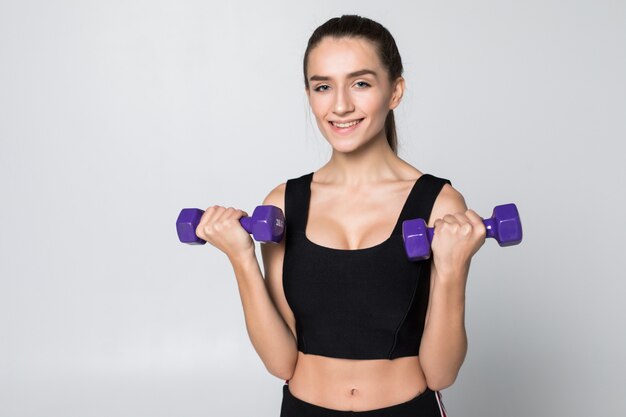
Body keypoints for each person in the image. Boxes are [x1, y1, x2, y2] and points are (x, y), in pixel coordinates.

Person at [195, 15, 486, 417]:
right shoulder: (282, 204)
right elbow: (281, 363)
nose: (341, 105)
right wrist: (241, 258)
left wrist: (453, 268)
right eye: (323, 86)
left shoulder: (439, 204)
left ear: (395, 91)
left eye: (361, 83)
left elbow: (441, 374)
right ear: (310, 95)